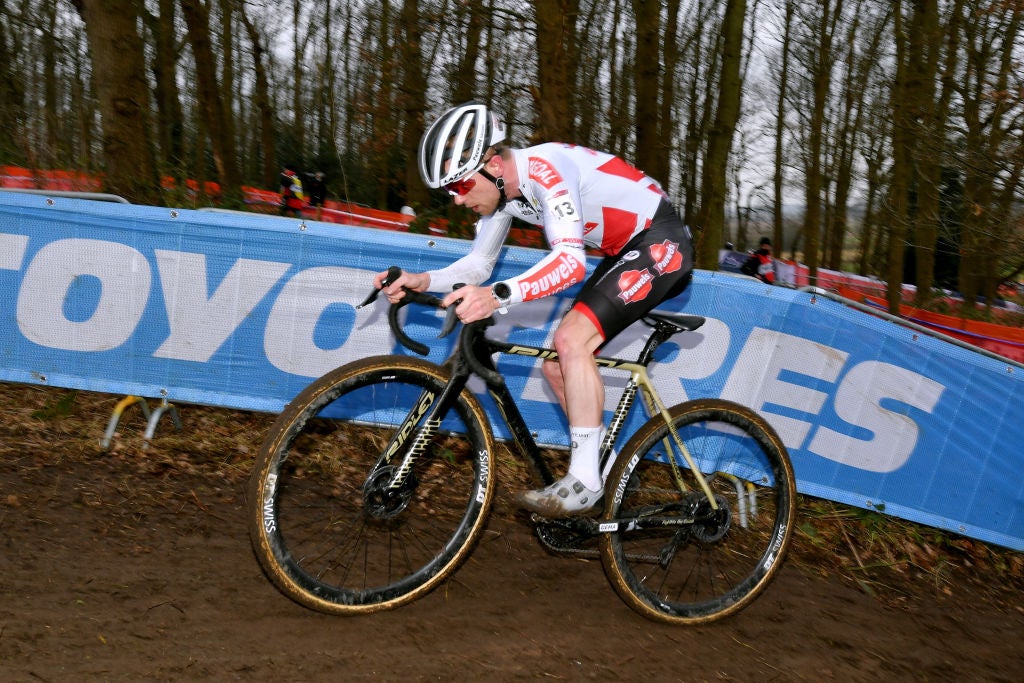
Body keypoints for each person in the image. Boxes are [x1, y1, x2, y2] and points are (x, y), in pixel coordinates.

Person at [374, 101, 694, 517]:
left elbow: (569, 262)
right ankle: (607, 474)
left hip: (660, 241)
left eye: (460, 187)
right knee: (557, 366)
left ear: (493, 164)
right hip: (626, 250)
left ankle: (584, 480)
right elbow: (478, 265)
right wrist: (420, 280)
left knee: (570, 339)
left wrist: (497, 296)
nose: (455, 201)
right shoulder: (506, 194)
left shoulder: (546, 168)